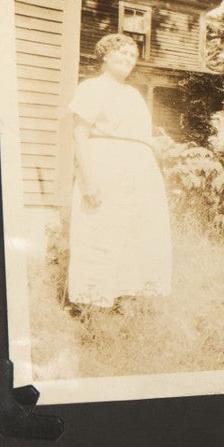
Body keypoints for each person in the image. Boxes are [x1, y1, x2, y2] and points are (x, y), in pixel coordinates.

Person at [66, 33, 173, 308]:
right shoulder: (91, 88)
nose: (128, 59)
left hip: (139, 172)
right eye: (122, 53)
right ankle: (91, 303)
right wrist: (88, 181)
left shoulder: (134, 95)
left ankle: (125, 298)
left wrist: (156, 144)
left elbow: (139, 136)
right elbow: (79, 135)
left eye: (133, 56)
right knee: (100, 230)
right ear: (105, 55)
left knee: (136, 232)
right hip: (105, 167)